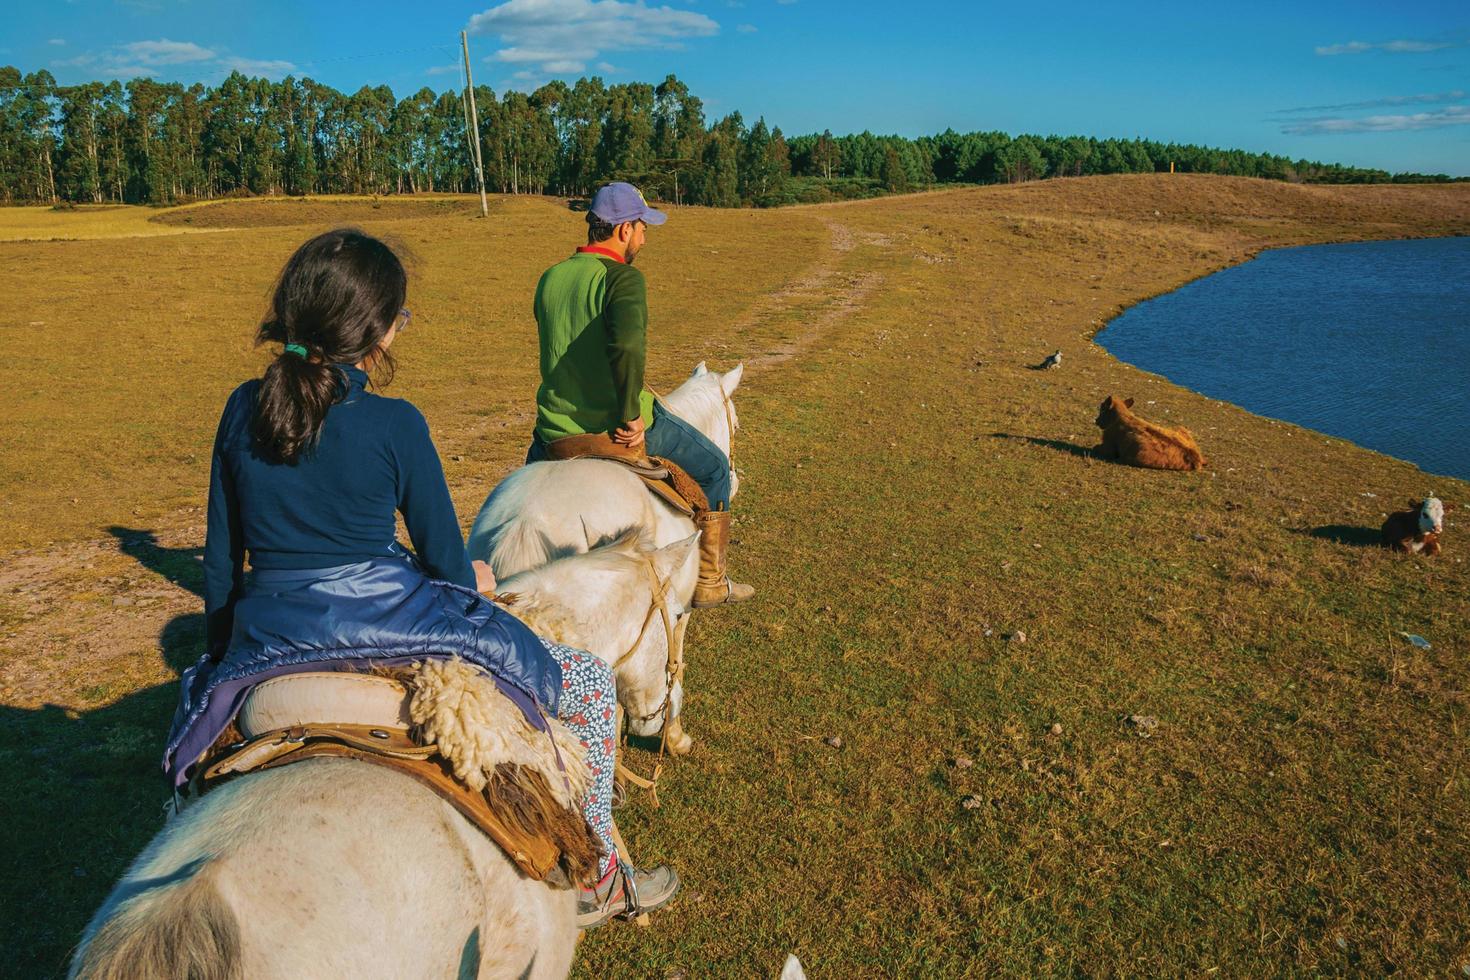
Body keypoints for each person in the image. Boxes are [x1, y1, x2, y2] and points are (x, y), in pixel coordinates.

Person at [164, 228, 674, 929]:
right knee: (584, 681)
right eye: (399, 318)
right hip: (385, 616)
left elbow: (222, 564)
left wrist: (224, 659)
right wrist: (476, 579)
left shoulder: (239, 409)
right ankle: (599, 877)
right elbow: (442, 561)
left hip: (269, 629)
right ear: (374, 332)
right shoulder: (396, 423)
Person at [527, 181, 754, 607]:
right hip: (609, 428)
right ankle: (710, 580)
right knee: (715, 470)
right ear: (624, 229)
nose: (646, 237)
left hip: (553, 434)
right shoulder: (623, 279)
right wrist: (630, 413)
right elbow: (626, 347)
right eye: (644, 227)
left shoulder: (550, 277)